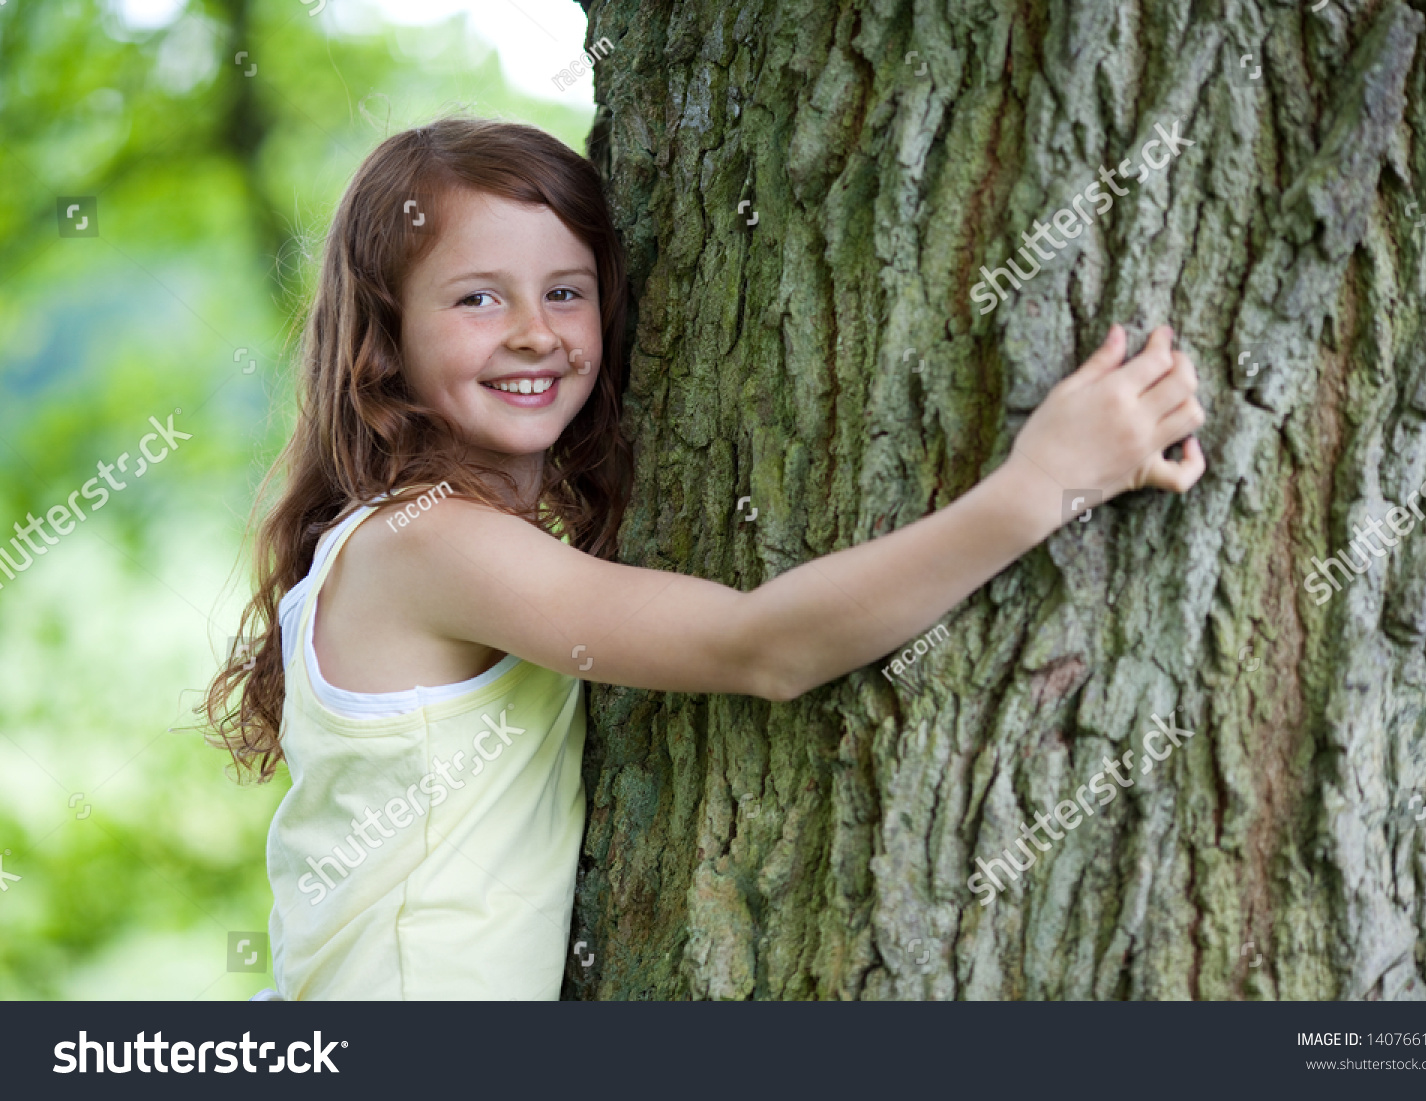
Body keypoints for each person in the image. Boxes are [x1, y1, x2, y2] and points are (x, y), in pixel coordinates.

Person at [202, 115, 1206, 1000]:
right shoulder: (429, 546)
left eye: (565, 290)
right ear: (385, 337)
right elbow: (760, 650)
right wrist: (1043, 486)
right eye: (476, 300)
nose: (534, 334)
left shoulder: (431, 541)